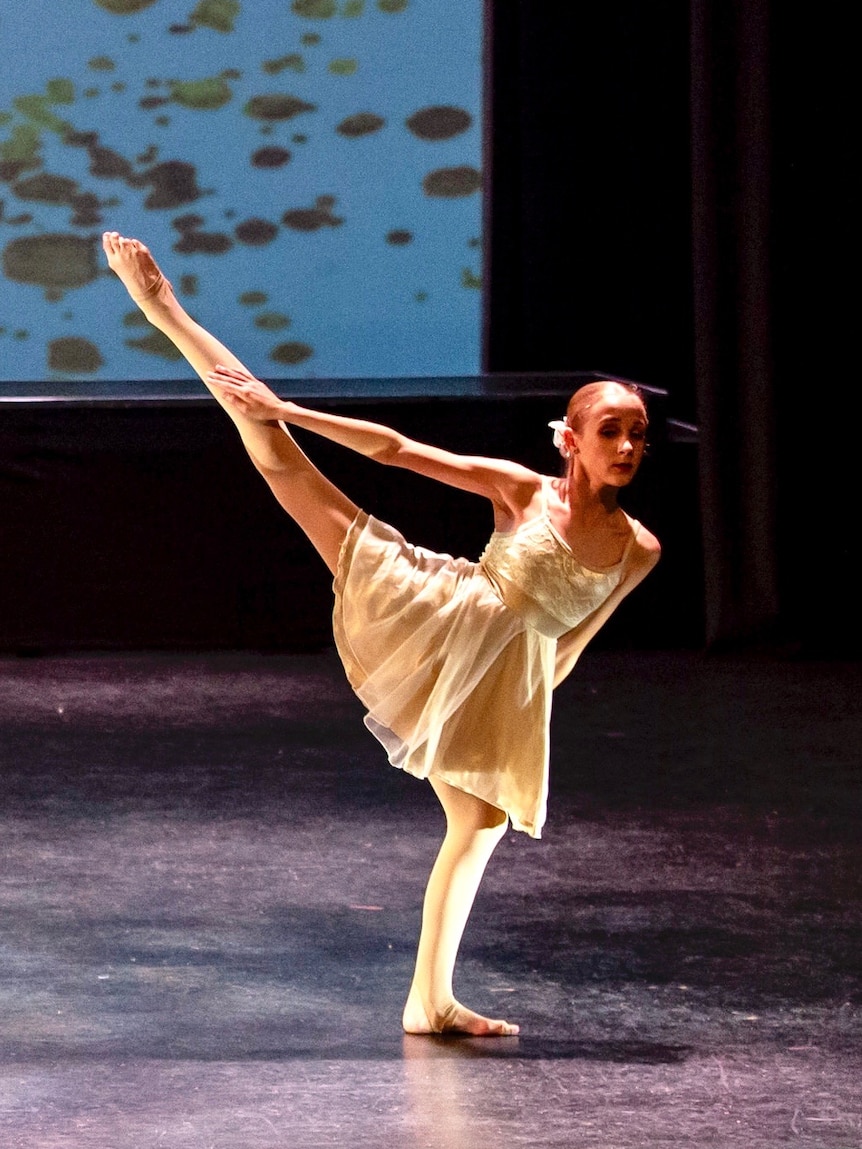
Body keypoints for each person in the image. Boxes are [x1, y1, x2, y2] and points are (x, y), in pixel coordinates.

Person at [102, 231, 661, 1037]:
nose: (629, 447)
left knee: (479, 821)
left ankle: (429, 999)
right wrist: (286, 406)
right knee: (278, 452)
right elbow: (399, 452)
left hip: (504, 677)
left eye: (638, 432)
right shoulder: (522, 491)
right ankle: (166, 311)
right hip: (435, 613)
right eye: (611, 430)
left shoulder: (639, 547)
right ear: (569, 439)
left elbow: (571, 640)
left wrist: (515, 710)